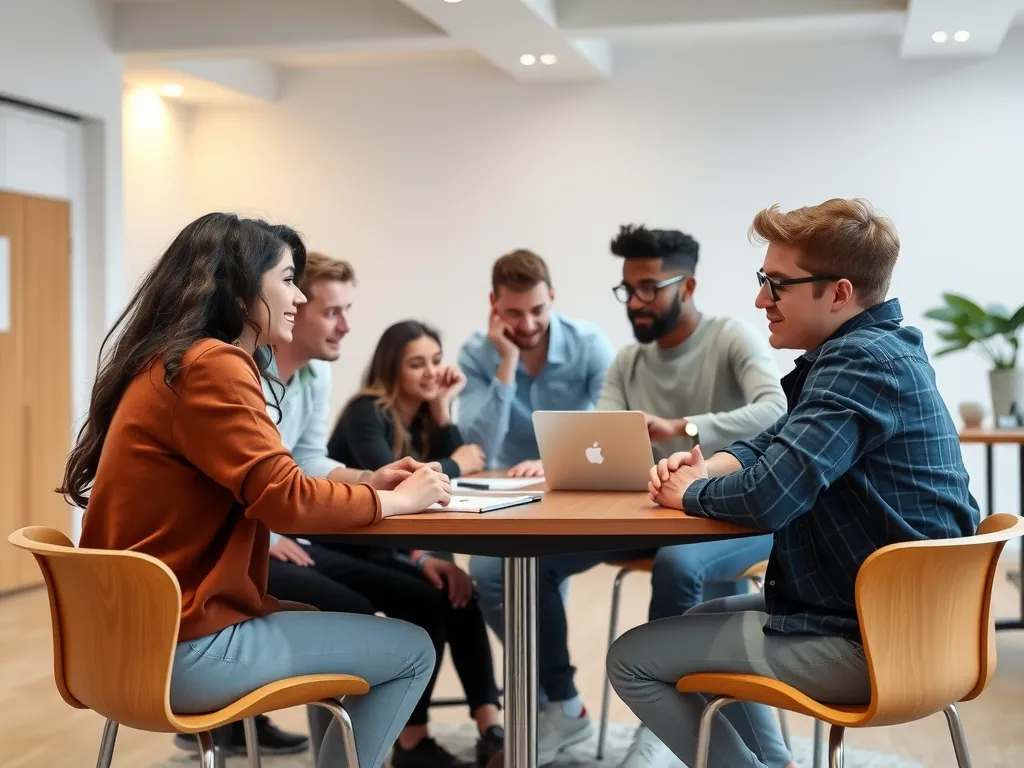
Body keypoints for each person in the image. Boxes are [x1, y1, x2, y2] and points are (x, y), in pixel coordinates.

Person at [64, 213, 453, 768]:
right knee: (412, 648)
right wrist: (396, 500)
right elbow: (285, 498)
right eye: (289, 278)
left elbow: (279, 481)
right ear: (243, 292)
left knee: (343, 616)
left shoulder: (168, 361)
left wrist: (368, 484)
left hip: (125, 647)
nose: (299, 296)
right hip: (183, 649)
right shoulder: (213, 365)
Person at [608, 198, 981, 768]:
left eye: (776, 284)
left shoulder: (861, 364)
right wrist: (708, 468)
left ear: (838, 293)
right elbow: (776, 441)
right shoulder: (875, 351)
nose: (761, 299)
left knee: (631, 659)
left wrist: (688, 493)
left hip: (876, 641)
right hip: (901, 621)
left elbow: (770, 496)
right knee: (698, 623)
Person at [470, 227, 787, 767]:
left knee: (677, 566)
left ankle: (664, 724)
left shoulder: (731, 338)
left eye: (648, 288)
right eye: (627, 289)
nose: (635, 302)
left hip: (733, 516)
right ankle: (561, 709)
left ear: (686, 286)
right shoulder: (629, 361)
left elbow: (775, 409)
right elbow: (599, 431)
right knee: (526, 564)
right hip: (657, 510)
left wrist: (680, 426)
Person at [327, 320, 503, 768]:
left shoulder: (423, 414)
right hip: (345, 544)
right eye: (416, 364)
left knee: (461, 593)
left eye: (435, 361)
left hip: (392, 546)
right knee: (430, 596)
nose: (430, 372)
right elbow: (399, 487)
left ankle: (491, 727)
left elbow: (459, 476)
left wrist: (443, 409)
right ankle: (411, 738)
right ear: (392, 369)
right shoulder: (366, 411)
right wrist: (454, 462)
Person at [457, 248, 616, 477]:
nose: (528, 325)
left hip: (577, 473)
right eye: (514, 313)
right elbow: (479, 449)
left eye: (537, 310)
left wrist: (556, 462)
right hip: (505, 479)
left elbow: (615, 426)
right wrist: (508, 362)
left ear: (552, 297)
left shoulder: (589, 344)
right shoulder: (475, 354)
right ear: (494, 303)